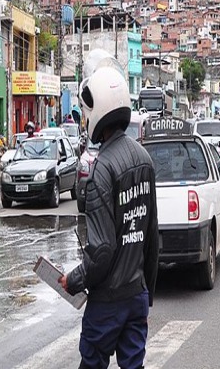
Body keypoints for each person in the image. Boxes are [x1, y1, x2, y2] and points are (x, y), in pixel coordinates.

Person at [58, 51, 159, 369]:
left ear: (98, 110)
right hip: (136, 296)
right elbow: (151, 238)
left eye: (86, 112)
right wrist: (147, 296)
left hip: (108, 302)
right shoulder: (144, 159)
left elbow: (102, 249)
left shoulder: (102, 168)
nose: (85, 120)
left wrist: (74, 279)